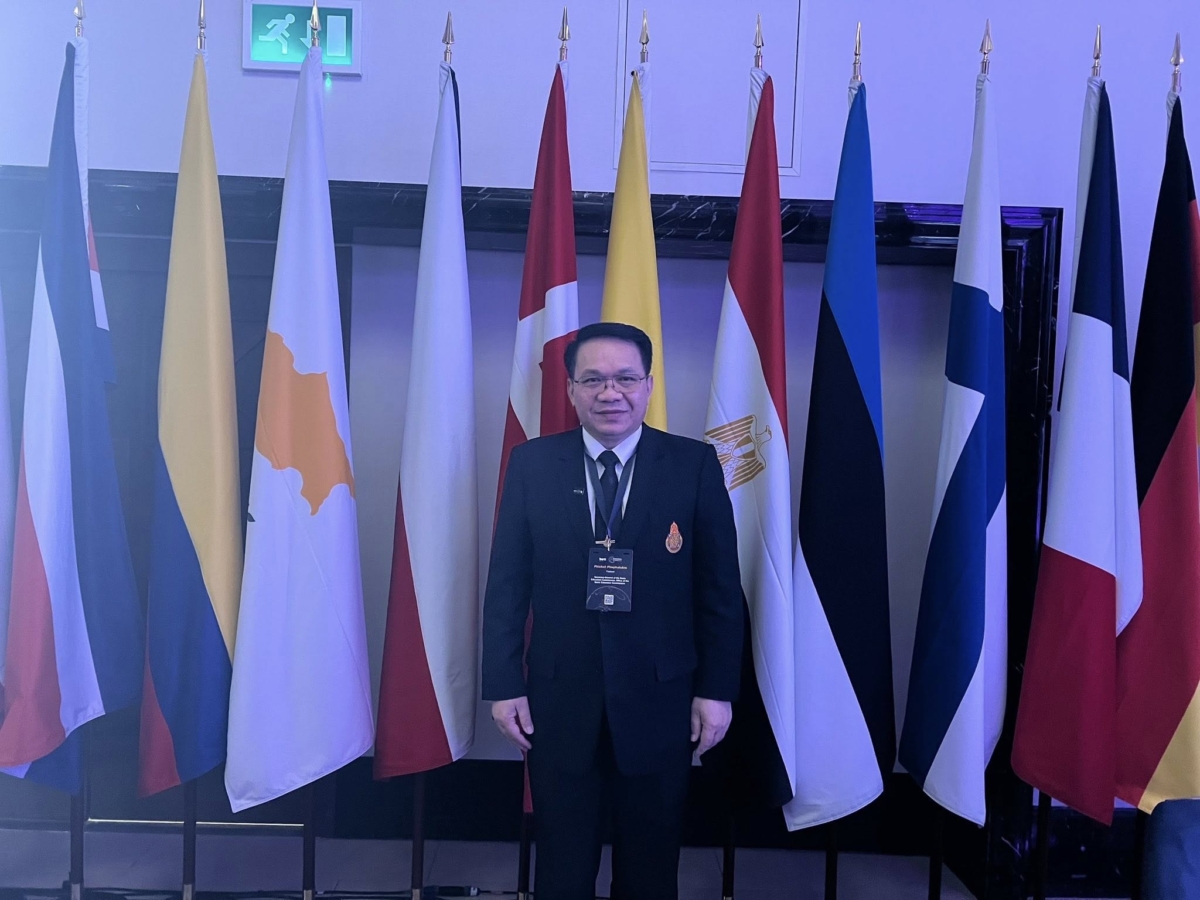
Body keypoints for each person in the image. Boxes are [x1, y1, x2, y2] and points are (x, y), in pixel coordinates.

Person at [482, 322, 743, 899]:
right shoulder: (532, 464)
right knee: (562, 868)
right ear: (571, 390)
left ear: (648, 385)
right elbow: (507, 584)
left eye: (626, 379)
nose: (610, 393)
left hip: (661, 700)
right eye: (593, 380)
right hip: (558, 700)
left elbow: (720, 592)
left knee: (650, 869)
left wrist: (716, 689)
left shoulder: (693, 465)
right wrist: (503, 685)